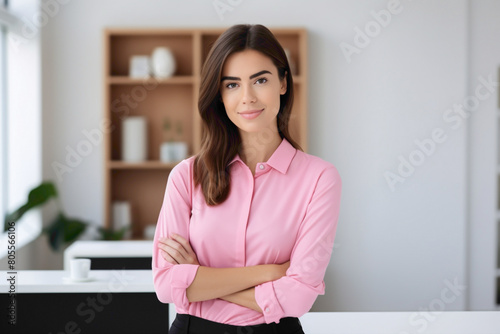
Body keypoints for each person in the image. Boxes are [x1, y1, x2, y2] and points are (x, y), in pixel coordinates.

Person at [152, 24, 342, 334]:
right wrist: (270, 273)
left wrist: (199, 278)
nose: (247, 97)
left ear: (283, 82)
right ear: (220, 95)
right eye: (232, 85)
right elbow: (165, 285)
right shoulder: (186, 176)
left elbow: (296, 298)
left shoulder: (320, 179)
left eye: (261, 80)